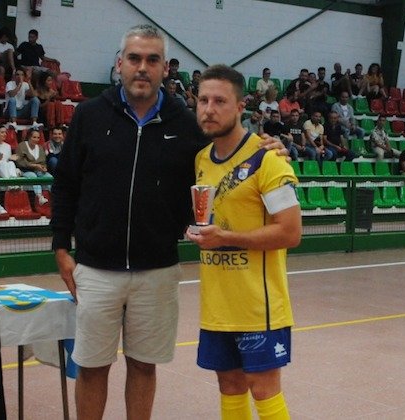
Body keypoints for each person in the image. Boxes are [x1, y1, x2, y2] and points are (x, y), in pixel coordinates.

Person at [51, 26, 285, 419]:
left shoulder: (188, 122)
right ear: (119, 64)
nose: (142, 68)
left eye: (152, 60)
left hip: (157, 269)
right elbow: (66, 183)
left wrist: (267, 146)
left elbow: (231, 148)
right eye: (135, 59)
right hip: (95, 267)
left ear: (165, 69)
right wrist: (61, 247)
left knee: (144, 365)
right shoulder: (90, 115)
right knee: (91, 367)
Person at [186, 64, 301, 420]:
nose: (209, 108)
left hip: (259, 307)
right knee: (230, 388)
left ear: (240, 107)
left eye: (220, 100)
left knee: (263, 390)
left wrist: (226, 238)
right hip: (218, 305)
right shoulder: (201, 160)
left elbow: (290, 231)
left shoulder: (268, 159)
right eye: (203, 100)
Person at [12, 127, 52, 205]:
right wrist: (34, 165)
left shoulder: (40, 148)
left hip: (39, 170)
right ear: (29, 137)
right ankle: (40, 197)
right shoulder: (22, 146)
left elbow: (43, 162)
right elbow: (19, 162)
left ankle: (55, 197)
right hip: (25, 170)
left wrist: (43, 168)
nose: (36, 139)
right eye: (34, 137)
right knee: (33, 176)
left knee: (50, 178)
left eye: (38, 137)